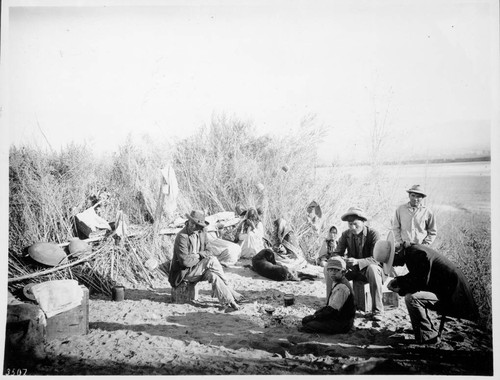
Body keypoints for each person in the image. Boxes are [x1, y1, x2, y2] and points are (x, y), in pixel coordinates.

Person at [373, 233, 479, 344]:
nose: (394, 265)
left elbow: (420, 282)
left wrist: (401, 289)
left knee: (412, 298)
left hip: (455, 296)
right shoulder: (412, 251)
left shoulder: (416, 254)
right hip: (447, 290)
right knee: (411, 296)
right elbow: (418, 275)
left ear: (396, 253)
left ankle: (429, 337)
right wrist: (399, 281)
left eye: (392, 261)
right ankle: (426, 331)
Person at [168, 210, 243, 311]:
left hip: (199, 269)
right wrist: (200, 256)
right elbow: (185, 262)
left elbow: (209, 250)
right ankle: (230, 289)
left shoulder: (202, 232)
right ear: (188, 221)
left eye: (196, 224)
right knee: (211, 260)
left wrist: (197, 256)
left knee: (214, 275)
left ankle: (230, 302)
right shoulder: (182, 237)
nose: (193, 226)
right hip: (185, 273)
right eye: (191, 223)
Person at [328, 207, 384, 320]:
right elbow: (336, 253)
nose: (352, 227)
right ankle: (330, 305)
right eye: (349, 224)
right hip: (353, 270)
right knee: (330, 268)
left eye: (355, 224)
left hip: (370, 270)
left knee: (373, 269)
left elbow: (377, 259)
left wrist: (358, 261)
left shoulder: (373, 234)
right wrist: (340, 260)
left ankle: (378, 310)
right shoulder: (345, 235)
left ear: (363, 222)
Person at [299, 257, 356, 334]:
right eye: (330, 270)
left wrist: (315, 317)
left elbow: (332, 310)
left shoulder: (342, 287)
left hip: (342, 323)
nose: (333, 273)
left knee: (308, 324)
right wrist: (317, 314)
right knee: (307, 320)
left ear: (343, 272)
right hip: (339, 318)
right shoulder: (336, 281)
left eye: (336, 270)